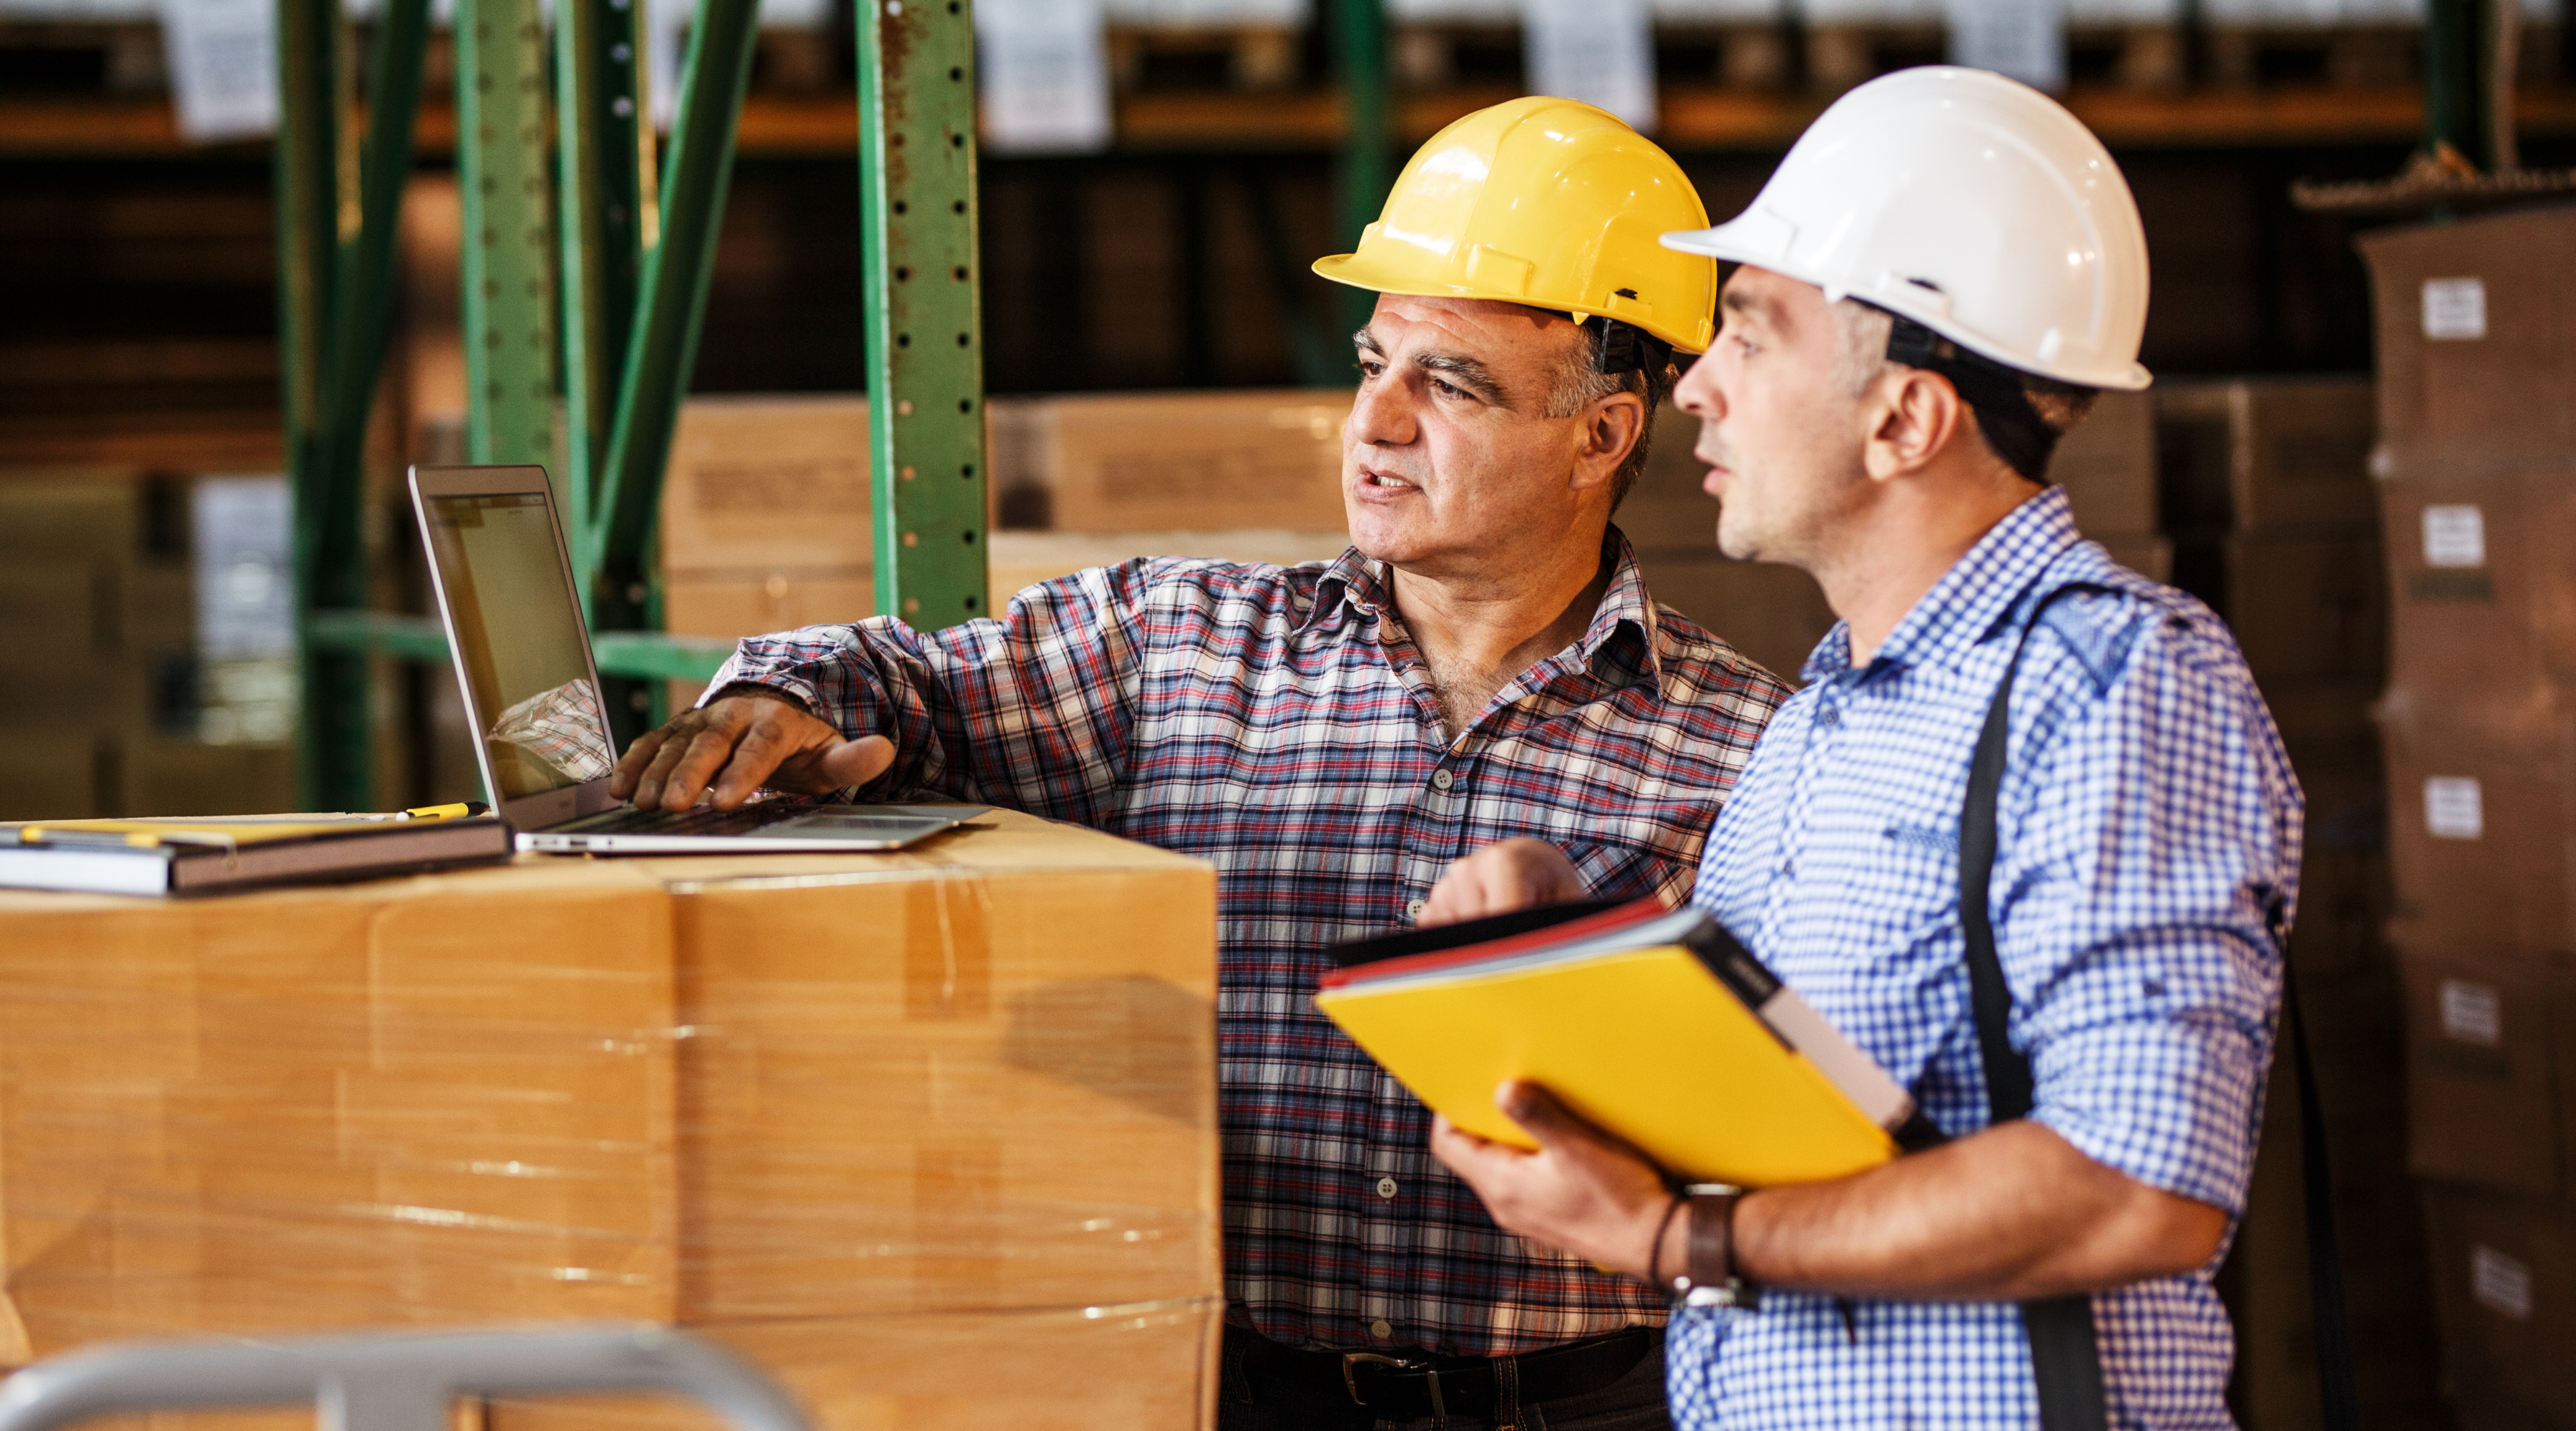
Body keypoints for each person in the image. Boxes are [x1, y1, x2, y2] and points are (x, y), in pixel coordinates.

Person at [609, 98, 1794, 1431]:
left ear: (1604, 436)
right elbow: (904, 679)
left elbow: (1788, 1134)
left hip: (1590, 1404)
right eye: (1372, 364)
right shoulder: (1181, 646)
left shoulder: (1749, 747)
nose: (1375, 424)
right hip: (1228, 1393)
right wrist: (779, 695)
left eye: (1449, 382)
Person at [1420, 68, 2302, 1430]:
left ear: (1907, 417)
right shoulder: (1822, 719)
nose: (1699, 387)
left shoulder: (2115, 682)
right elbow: (1779, 1109)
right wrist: (1560, 951)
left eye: (1755, 337)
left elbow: (2140, 1189)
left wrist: (1679, 1242)